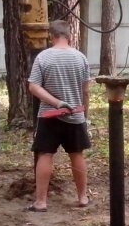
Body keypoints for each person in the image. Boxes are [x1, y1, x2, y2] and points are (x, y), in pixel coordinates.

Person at [26, 19, 92, 212]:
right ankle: (82, 198)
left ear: (51, 36)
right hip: (75, 116)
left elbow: (33, 86)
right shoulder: (81, 58)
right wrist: (84, 114)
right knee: (76, 154)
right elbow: (85, 91)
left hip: (48, 115)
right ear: (69, 35)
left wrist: (55, 103)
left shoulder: (43, 57)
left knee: (45, 154)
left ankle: (41, 202)